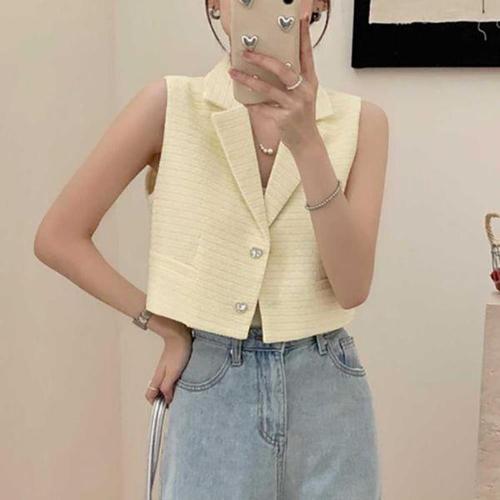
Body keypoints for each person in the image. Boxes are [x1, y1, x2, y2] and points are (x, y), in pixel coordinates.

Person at [34, 0, 389, 498]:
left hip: (328, 392)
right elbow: (58, 237)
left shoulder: (362, 122)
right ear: (216, 4)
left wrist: (308, 142)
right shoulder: (169, 105)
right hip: (212, 384)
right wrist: (163, 324)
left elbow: (352, 289)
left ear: (318, 5)